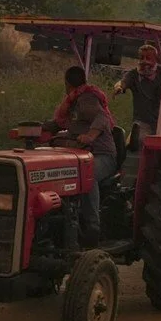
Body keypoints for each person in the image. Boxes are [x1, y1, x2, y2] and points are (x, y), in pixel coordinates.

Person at [50, 66, 117, 248]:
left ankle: (92, 226)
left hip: (102, 155)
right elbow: (59, 123)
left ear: (67, 84)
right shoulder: (73, 102)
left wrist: (91, 135)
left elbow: (102, 117)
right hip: (80, 154)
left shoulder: (87, 98)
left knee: (89, 174)